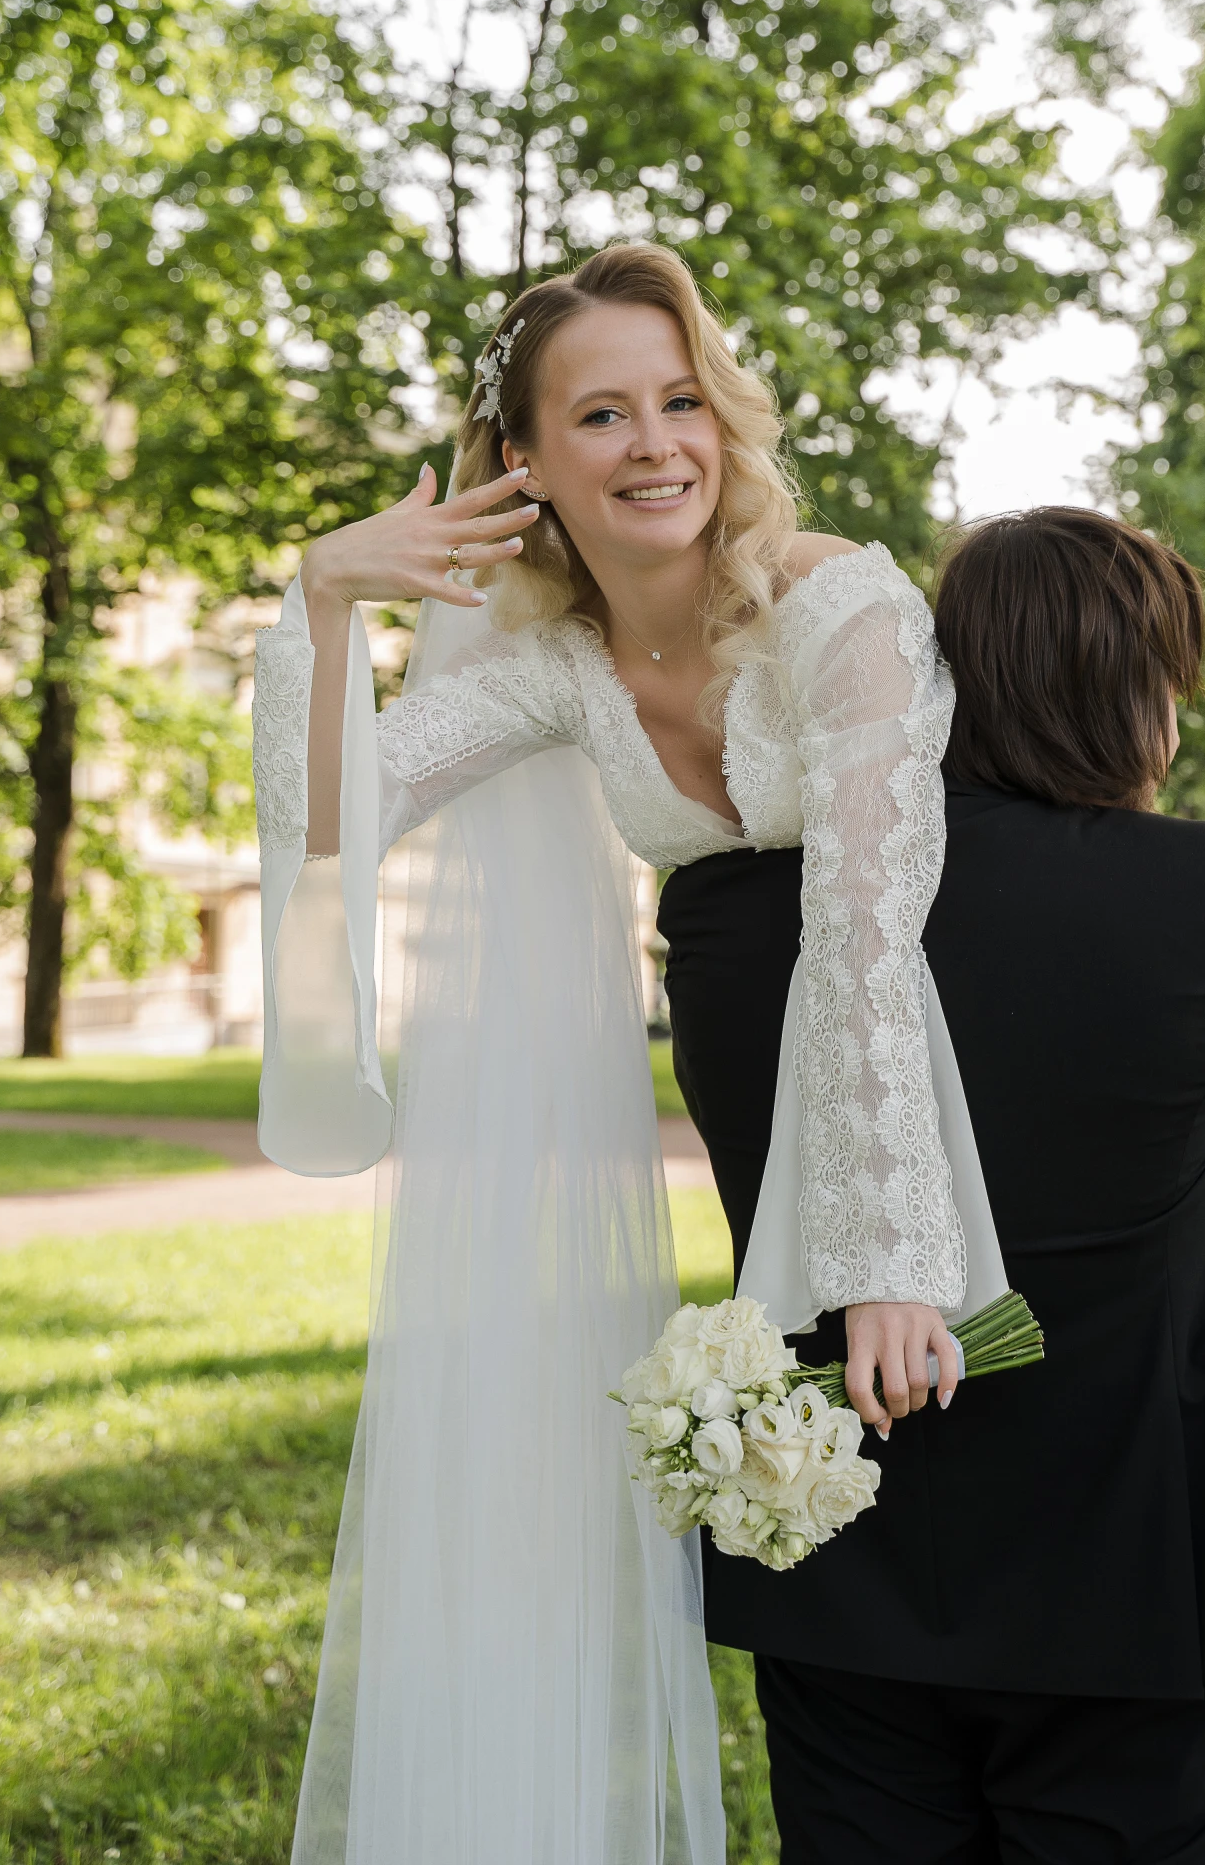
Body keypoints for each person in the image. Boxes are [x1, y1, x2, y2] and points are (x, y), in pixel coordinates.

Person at [249, 242, 988, 1865]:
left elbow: (863, 934)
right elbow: (331, 828)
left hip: (961, 1077)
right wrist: (325, 597)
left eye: (680, 401)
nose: (657, 444)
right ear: (525, 460)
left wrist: (885, 1264)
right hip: (764, 1123)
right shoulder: (559, 667)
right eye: (601, 414)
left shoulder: (839, 606)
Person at [666, 507, 1205, 1865]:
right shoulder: (1182, 890)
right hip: (1134, 1566)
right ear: (1131, 697)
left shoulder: (731, 912)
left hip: (835, 1547)